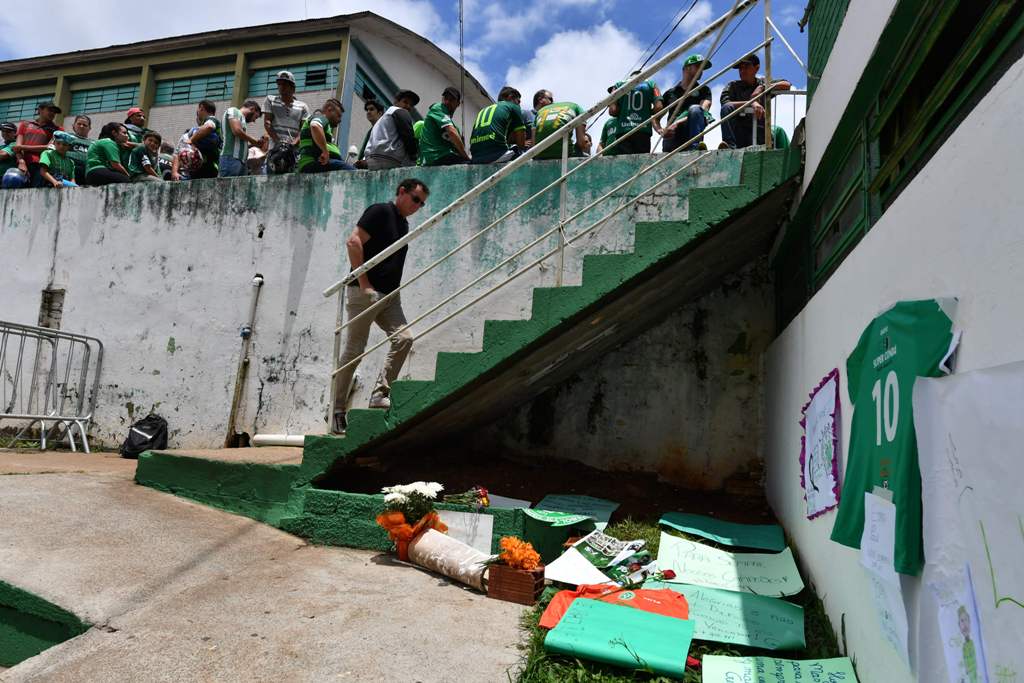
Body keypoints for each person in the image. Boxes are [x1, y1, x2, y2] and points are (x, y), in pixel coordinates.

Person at [332, 177, 429, 434]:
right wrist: (364, 282)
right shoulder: (380, 211)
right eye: (415, 199)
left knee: (404, 338)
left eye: (421, 204)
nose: (417, 206)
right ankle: (337, 410)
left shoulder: (403, 224)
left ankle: (380, 392)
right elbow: (353, 242)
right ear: (401, 192)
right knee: (355, 350)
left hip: (389, 296)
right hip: (365, 292)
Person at [720, 53, 791, 149]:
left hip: (760, 134)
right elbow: (726, 104)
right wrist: (752, 103)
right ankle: (729, 147)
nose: (742, 71)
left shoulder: (762, 83)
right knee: (726, 108)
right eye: (740, 68)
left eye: (746, 67)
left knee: (777, 131)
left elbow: (787, 85)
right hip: (739, 134)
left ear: (756, 68)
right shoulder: (733, 86)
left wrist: (762, 88)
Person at [661, 54, 714, 152]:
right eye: (698, 66)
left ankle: (694, 148)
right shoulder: (670, 93)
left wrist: (677, 122)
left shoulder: (704, 90)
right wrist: (660, 130)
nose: (701, 71)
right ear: (686, 68)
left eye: (702, 68)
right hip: (672, 137)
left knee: (695, 109)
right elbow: (655, 116)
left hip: (690, 135)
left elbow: (703, 109)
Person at [262, 70, 310, 174]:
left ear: (292, 88)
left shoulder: (303, 106)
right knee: (271, 180)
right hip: (274, 150)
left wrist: (293, 144)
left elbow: (304, 130)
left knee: (292, 183)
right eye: (279, 84)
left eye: (285, 84)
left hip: (294, 153)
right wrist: (278, 142)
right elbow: (267, 123)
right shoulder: (270, 100)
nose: (281, 86)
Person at [607, 72, 663, 154]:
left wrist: (623, 111)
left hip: (623, 131)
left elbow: (612, 110)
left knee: (625, 163)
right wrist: (646, 112)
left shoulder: (618, 85)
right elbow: (659, 107)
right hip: (643, 130)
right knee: (641, 163)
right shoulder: (651, 84)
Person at [469, 86, 527, 164]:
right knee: (525, 152)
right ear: (511, 97)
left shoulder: (483, 110)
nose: (519, 104)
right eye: (518, 101)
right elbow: (521, 143)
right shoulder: (513, 107)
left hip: (475, 158)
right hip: (496, 155)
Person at [364, 90, 420, 170]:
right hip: (389, 159)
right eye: (405, 102)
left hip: (372, 161)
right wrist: (414, 154)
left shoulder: (381, 120)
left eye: (411, 105)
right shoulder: (398, 111)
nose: (408, 106)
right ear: (396, 102)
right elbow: (408, 135)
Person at [296, 98, 355, 173]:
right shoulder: (321, 117)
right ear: (329, 110)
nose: (340, 120)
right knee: (352, 172)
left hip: (313, 164)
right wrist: (325, 151)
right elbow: (315, 125)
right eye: (338, 115)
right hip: (312, 163)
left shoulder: (326, 127)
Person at [14, 101, 62, 187]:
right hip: (22, 164)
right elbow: (17, 147)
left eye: (54, 112)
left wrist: (22, 147)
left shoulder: (58, 129)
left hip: (43, 166)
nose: (53, 113)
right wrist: (21, 162)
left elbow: (49, 147)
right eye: (50, 110)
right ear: (40, 110)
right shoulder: (25, 124)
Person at [418, 87, 470, 166]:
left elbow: (456, 145)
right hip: (435, 156)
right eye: (445, 98)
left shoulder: (456, 129)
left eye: (451, 99)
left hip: (443, 157)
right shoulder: (438, 107)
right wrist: (466, 157)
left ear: (458, 104)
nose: (447, 102)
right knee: (469, 163)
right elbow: (452, 132)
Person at [220, 99, 266, 178]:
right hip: (231, 158)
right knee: (227, 187)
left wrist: (254, 144)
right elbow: (237, 131)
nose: (254, 120)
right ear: (252, 109)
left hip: (240, 161)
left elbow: (238, 141)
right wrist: (253, 140)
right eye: (255, 117)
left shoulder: (242, 119)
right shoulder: (234, 111)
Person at [188, 100, 223, 179]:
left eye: (198, 110)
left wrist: (191, 139)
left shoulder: (211, 119)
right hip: (205, 166)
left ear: (201, 108)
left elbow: (209, 126)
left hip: (209, 166)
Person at [355, 99, 385, 168]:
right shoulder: (371, 131)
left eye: (371, 109)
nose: (368, 112)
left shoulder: (384, 129)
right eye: (367, 110)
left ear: (380, 113)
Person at [64, 115, 93, 185]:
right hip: (69, 169)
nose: (81, 126)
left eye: (84, 125)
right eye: (79, 124)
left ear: (89, 128)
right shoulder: (66, 136)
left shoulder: (94, 143)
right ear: (73, 125)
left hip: (88, 172)